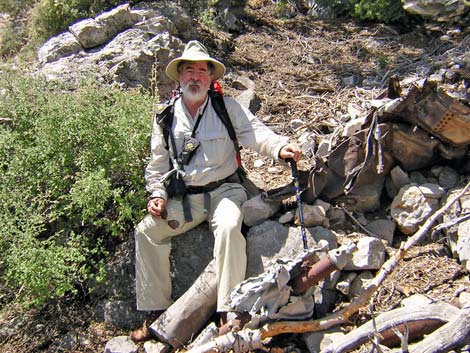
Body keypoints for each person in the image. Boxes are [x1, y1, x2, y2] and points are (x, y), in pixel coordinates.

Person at [131, 40, 301, 342]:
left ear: (211, 78)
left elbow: (255, 132)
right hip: (186, 200)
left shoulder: (226, 107)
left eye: (201, 71)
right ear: (179, 77)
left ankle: (229, 311)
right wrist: (157, 194)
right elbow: (157, 164)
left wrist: (280, 147)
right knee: (147, 232)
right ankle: (155, 312)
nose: (195, 77)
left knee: (228, 226)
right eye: (188, 71)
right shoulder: (165, 116)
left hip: (226, 191)